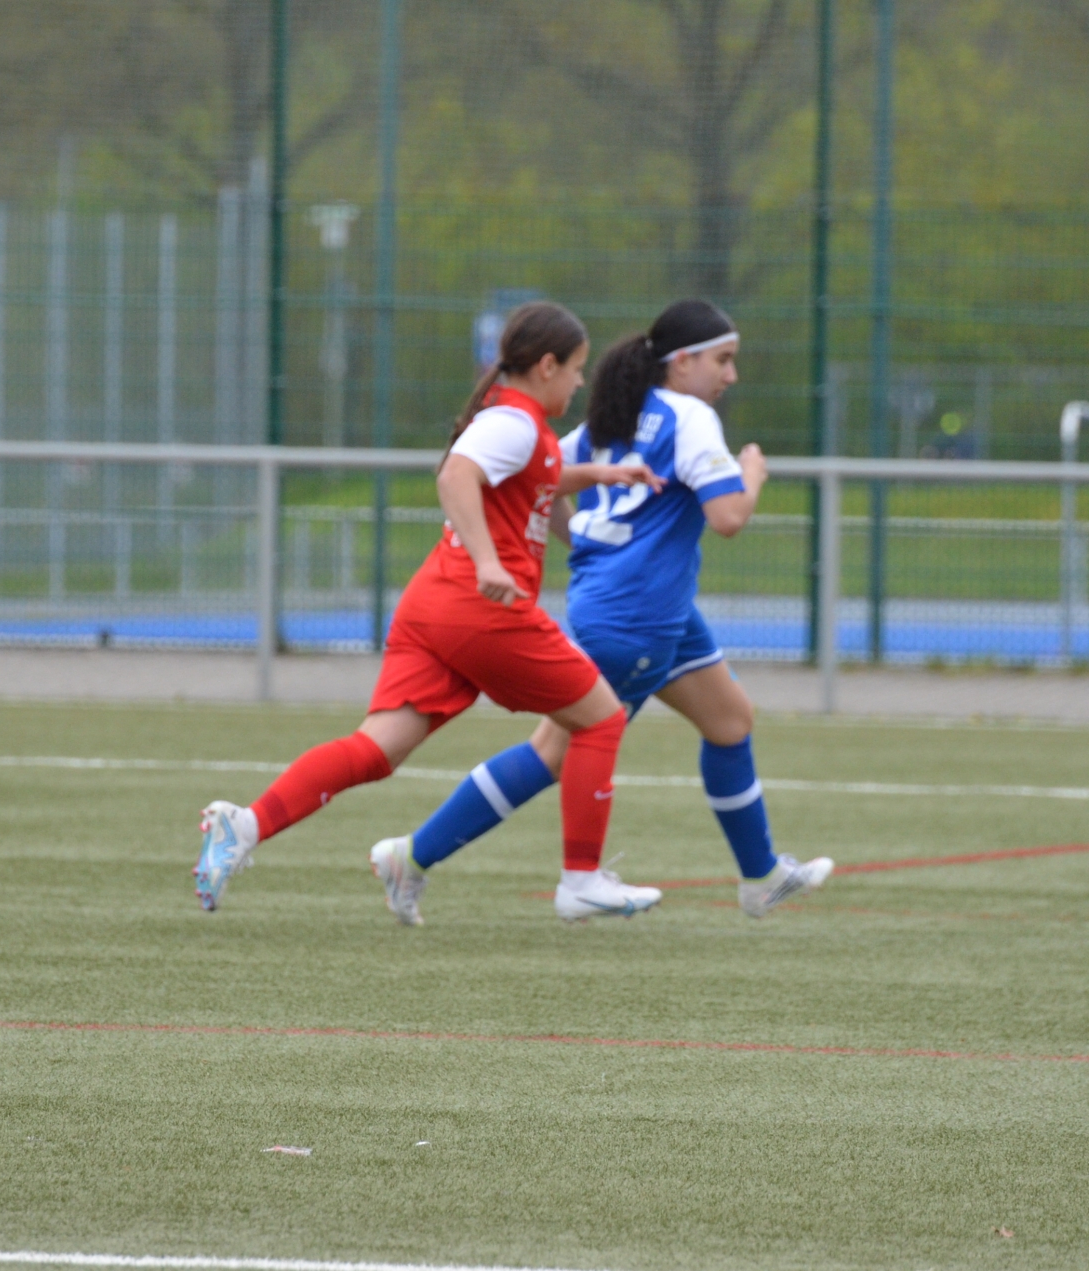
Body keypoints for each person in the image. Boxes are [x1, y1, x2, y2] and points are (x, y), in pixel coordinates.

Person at [192, 301, 668, 923]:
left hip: (434, 606)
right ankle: (581, 880)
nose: (581, 382)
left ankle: (247, 824)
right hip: (480, 609)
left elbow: (537, 482)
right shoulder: (515, 424)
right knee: (601, 718)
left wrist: (602, 474)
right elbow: (454, 477)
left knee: (377, 751)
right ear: (547, 366)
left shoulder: (521, 425)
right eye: (577, 369)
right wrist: (488, 562)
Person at [366, 300, 833, 925]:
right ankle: (415, 856)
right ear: (682, 362)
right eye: (722, 360)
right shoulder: (690, 416)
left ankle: (760, 875)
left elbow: (542, 478)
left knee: (730, 721)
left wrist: (586, 541)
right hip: (637, 614)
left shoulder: (614, 414)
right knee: (554, 751)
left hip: (652, 605)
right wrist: (752, 475)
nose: (732, 375)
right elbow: (727, 517)